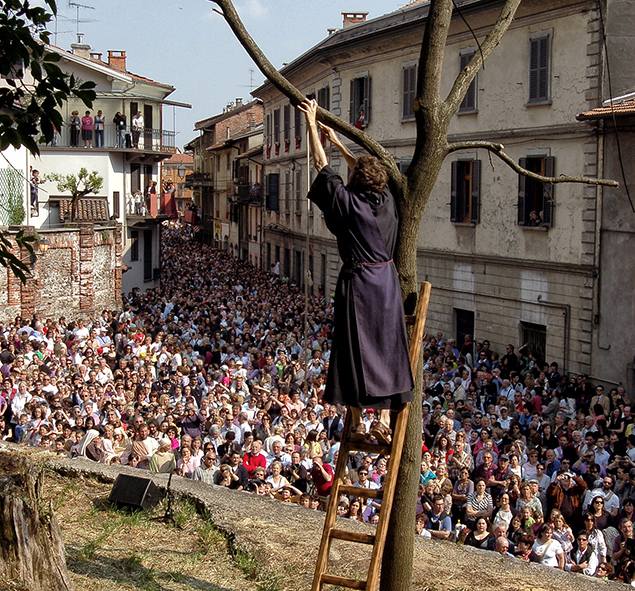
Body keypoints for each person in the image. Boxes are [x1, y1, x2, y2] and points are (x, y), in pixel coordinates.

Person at [298, 98, 413, 445]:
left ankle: (359, 420)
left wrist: (312, 125)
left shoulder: (348, 203)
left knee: (353, 349)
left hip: (359, 285)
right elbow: (365, 174)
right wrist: (338, 143)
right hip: (387, 284)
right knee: (387, 348)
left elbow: (321, 167)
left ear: (354, 181)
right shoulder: (388, 200)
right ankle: (383, 418)